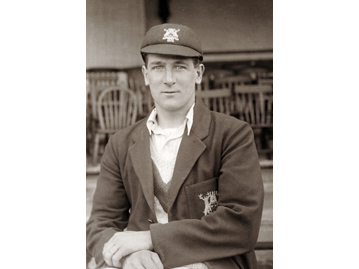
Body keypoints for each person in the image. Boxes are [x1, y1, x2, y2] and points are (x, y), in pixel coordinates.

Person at [86, 23, 264, 269]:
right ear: (146, 75)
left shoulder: (232, 135)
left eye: (179, 67)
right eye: (158, 67)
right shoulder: (120, 144)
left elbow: (241, 223)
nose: (168, 79)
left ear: (198, 73)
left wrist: (150, 239)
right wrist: (128, 257)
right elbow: (100, 224)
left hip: (210, 262)